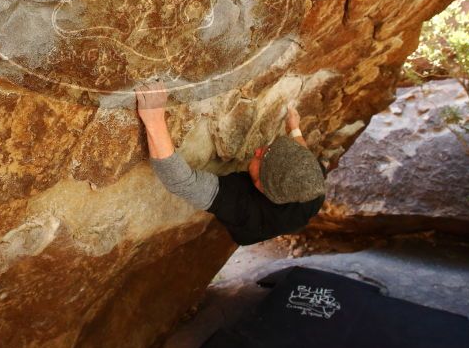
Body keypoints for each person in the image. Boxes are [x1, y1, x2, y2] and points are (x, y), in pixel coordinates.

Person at [135, 80, 327, 246]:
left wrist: (154, 119)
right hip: (292, 207)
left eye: (261, 158)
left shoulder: (241, 206)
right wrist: (294, 128)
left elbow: (182, 183)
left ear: (260, 185)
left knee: (244, 229)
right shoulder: (312, 180)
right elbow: (302, 153)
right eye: (267, 149)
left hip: (253, 228)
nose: (258, 150)